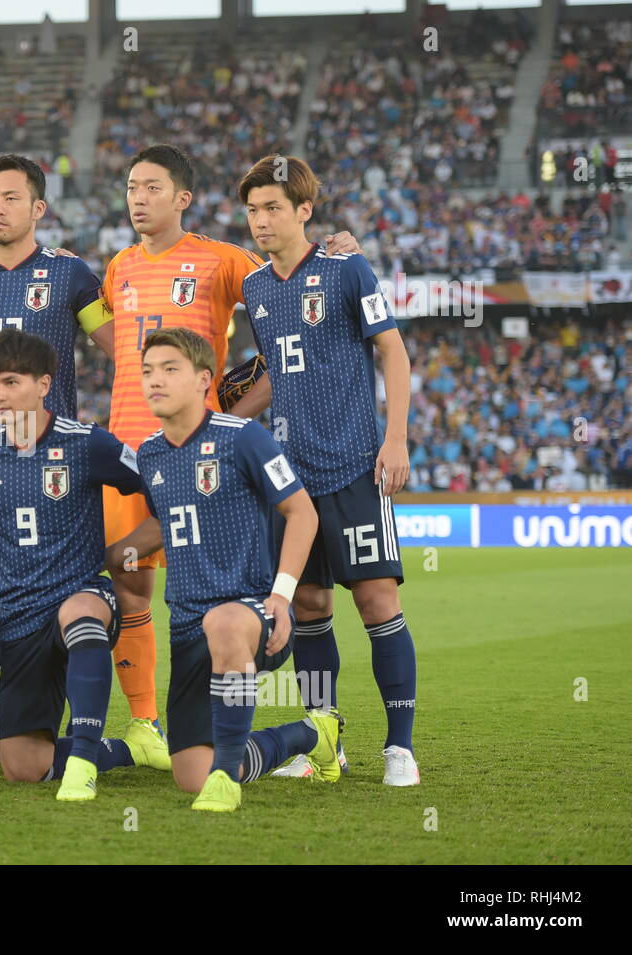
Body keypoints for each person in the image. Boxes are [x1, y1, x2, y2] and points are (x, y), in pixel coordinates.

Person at [99, 144, 359, 739]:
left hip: (203, 460)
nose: (138, 198)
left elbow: (289, 297)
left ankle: (296, 724)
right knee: (128, 578)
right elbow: (113, 342)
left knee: (225, 598)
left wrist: (233, 412)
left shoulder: (222, 261)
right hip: (130, 453)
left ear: (182, 199)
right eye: (132, 187)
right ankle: (145, 726)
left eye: (152, 188)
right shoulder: (119, 268)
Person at [230, 154, 418, 786]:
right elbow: (279, 377)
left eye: (273, 207)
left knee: (375, 599)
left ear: (304, 210)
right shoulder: (255, 289)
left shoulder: (345, 268)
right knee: (307, 606)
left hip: (354, 468)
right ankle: (323, 741)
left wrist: (395, 438)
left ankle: (400, 748)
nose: (260, 220)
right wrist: (215, 417)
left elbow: (392, 349)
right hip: (293, 482)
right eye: (253, 209)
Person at [0, 154, 119, 726]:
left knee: (64, 601)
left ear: (38, 208)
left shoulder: (71, 274)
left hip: (56, 462)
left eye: (11, 198)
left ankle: (97, 719)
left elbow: (119, 347)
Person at [107, 328, 341, 811]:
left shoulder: (244, 438)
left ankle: (225, 785)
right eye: (148, 371)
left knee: (227, 620)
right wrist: (110, 554)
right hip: (187, 626)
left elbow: (303, 513)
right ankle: (311, 734)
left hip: (255, 614)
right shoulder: (150, 453)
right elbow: (164, 522)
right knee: (191, 773)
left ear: (203, 380)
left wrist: (281, 596)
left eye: (170, 369)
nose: (155, 380)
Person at [0, 329, 171, 801]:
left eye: (10, 382)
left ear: (44, 384)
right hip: (20, 617)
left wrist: (121, 551)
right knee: (23, 768)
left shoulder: (88, 443)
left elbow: (166, 493)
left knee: (82, 615)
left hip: (82, 593)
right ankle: (132, 751)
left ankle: (84, 759)